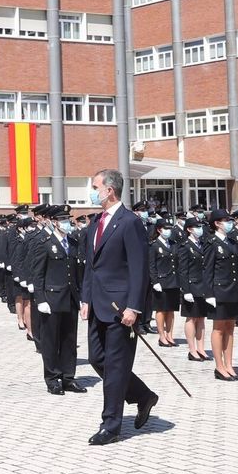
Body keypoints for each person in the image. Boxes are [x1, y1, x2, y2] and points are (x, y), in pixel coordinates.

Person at [80, 169, 159, 445]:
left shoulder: (129, 222)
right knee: (97, 359)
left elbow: (139, 269)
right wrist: (85, 298)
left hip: (120, 306)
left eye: (94, 186)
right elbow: (91, 265)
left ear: (110, 190)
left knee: (115, 366)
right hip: (97, 304)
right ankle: (143, 395)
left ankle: (111, 425)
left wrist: (134, 307)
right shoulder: (96, 222)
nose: (92, 191)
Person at [31, 205, 84, 395]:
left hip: (70, 298)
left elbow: (78, 274)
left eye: (68, 220)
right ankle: (53, 378)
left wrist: (83, 299)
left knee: (69, 340)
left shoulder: (73, 242)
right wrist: (40, 299)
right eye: (62, 220)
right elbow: (37, 274)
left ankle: (68, 377)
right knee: (51, 341)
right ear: (54, 222)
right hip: (51, 299)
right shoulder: (44, 242)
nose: (66, 223)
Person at [204, 210, 238, 382]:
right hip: (219, 291)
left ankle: (229, 364)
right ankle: (219, 367)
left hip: (233, 290)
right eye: (226, 220)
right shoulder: (211, 243)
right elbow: (207, 270)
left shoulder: (231, 242)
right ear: (217, 224)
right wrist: (209, 293)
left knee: (230, 328)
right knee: (219, 328)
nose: (230, 223)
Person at [177, 218, 210, 362]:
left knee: (201, 318)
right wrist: (186, 290)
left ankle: (201, 348)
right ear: (189, 229)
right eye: (196, 227)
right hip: (191, 286)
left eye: (200, 226)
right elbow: (183, 270)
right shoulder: (185, 246)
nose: (200, 229)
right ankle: (192, 350)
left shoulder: (203, 244)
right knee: (191, 318)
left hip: (203, 285)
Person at [147, 218, 180, 348]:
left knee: (171, 310)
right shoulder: (154, 245)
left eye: (170, 228)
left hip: (173, 281)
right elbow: (151, 265)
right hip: (161, 282)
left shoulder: (173, 244)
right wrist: (155, 281)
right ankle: (162, 336)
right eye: (166, 229)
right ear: (159, 230)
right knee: (161, 310)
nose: (168, 231)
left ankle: (169, 335)